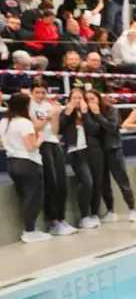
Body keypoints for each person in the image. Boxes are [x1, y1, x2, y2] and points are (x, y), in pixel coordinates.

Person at [81, 89, 136, 223]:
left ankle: (132, 209)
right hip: (99, 152)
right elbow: (92, 130)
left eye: (93, 99)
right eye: (87, 100)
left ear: (98, 99)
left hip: (113, 148)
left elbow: (112, 128)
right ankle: (110, 210)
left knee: (122, 179)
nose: (90, 102)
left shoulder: (110, 110)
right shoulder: (87, 114)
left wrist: (98, 114)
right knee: (103, 183)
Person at [2, 93, 51, 242]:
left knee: (24, 197)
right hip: (28, 163)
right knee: (33, 198)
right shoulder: (24, 123)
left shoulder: (4, 122)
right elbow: (31, 146)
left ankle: (29, 228)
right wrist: (40, 139)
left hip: (12, 163)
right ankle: (30, 231)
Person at [29, 79, 75, 236]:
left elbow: (55, 130)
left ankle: (62, 218)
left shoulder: (49, 106)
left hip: (54, 143)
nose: (40, 95)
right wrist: (49, 116)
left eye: (43, 92)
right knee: (51, 183)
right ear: (31, 92)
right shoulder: (29, 106)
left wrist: (55, 116)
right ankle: (53, 220)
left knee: (62, 183)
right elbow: (35, 128)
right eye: (37, 92)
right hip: (42, 145)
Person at [56, 87, 101, 229]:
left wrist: (86, 114)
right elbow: (60, 129)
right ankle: (84, 216)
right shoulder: (66, 114)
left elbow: (94, 130)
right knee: (87, 182)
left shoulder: (87, 112)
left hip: (91, 151)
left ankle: (94, 213)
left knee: (95, 183)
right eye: (74, 98)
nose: (77, 101)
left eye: (79, 98)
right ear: (69, 100)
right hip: (76, 151)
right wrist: (68, 113)